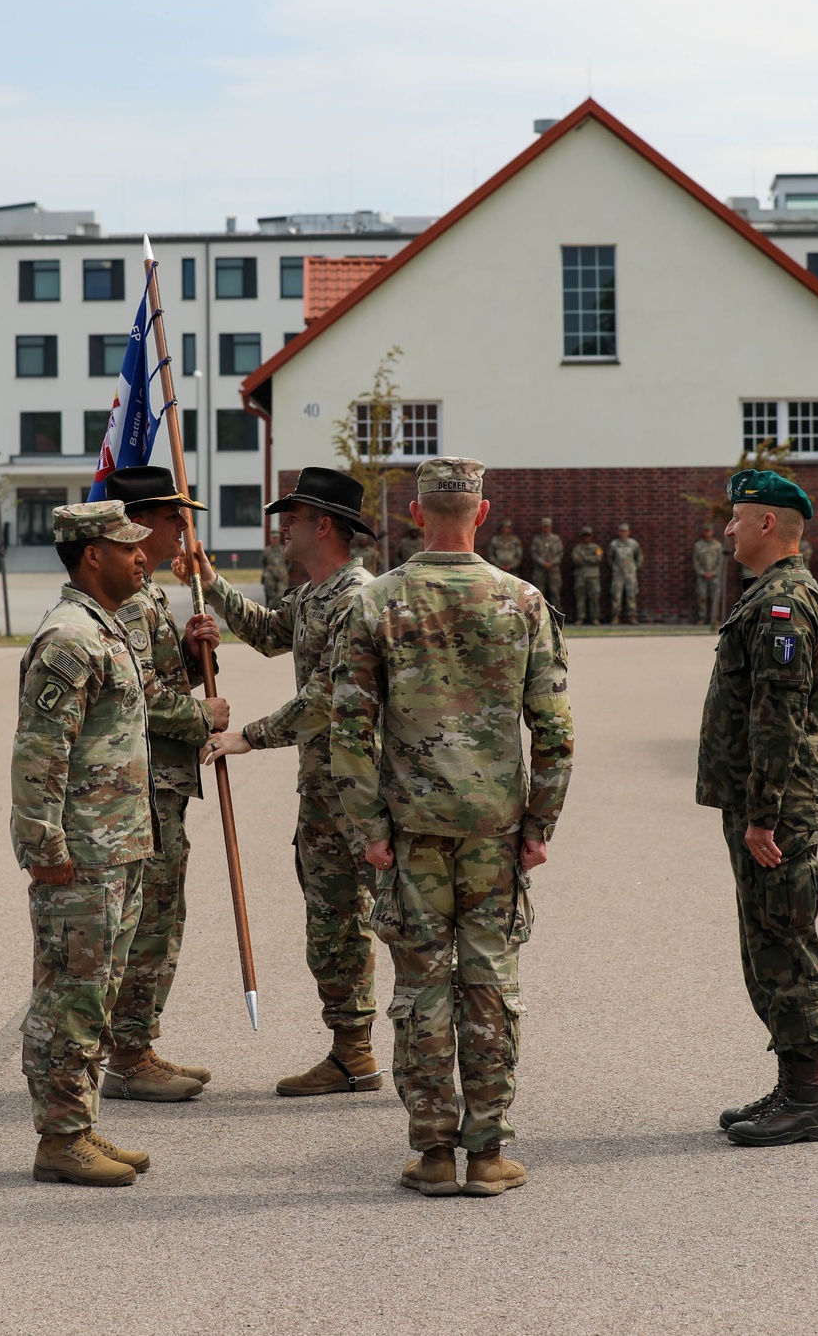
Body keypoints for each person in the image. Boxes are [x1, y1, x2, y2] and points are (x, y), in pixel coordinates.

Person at [330, 457, 574, 1197]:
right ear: (483, 512)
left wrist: (366, 826)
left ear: (414, 515)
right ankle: (489, 1153)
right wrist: (541, 825)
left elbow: (348, 727)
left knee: (422, 989)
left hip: (411, 831)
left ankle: (435, 1153)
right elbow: (555, 728)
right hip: (496, 830)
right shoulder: (523, 601)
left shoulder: (375, 603)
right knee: (490, 984)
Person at [177, 467, 381, 1097]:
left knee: (383, 922)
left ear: (325, 526)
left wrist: (250, 735)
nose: (280, 527)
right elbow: (269, 633)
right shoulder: (315, 593)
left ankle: (429, 1057)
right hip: (322, 793)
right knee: (333, 926)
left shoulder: (357, 596)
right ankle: (353, 1054)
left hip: (361, 793)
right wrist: (210, 583)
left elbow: (330, 697)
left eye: (291, 518)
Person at [11, 500, 157, 1187]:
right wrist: (45, 850)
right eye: (129, 547)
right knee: (69, 998)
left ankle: (81, 1124)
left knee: (95, 998)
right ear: (91, 555)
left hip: (116, 850)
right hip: (82, 859)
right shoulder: (71, 639)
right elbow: (39, 756)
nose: (143, 556)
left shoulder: (108, 629)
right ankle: (59, 1140)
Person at [696, 469, 818, 1147]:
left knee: (784, 943)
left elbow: (777, 719)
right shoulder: (768, 597)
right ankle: (792, 1084)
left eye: (736, 517)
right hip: (763, 800)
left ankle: (807, 1098)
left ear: (767, 525)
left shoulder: (784, 604)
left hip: (775, 807)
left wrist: (761, 814)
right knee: (767, 941)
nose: (726, 529)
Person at [102, 466, 230, 1103]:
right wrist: (204, 714)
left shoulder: (147, 591)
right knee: (147, 919)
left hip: (163, 786)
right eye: (176, 518)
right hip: (139, 787)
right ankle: (126, 1055)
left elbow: (162, 675)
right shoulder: (125, 598)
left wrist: (192, 647)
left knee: (161, 915)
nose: (185, 529)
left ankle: (138, 1041)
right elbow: (138, 699)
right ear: (141, 523)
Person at [608, 523, 643, 624]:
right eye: (621, 531)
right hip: (618, 574)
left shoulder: (634, 544)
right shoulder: (614, 544)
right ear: (618, 532)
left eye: (625, 531)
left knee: (631, 595)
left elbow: (639, 557)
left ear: (629, 532)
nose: (623, 533)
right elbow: (610, 558)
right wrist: (614, 568)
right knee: (616, 596)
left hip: (630, 574)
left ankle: (632, 617)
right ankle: (615, 617)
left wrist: (635, 567)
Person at [693, 523, 724, 627]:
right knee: (702, 596)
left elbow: (721, 561)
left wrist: (714, 572)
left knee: (714, 597)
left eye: (709, 531)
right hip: (702, 576)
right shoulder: (698, 545)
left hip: (714, 576)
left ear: (712, 532)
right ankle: (702, 618)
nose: (708, 533)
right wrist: (702, 572)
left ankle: (714, 619)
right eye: (706, 531)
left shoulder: (717, 545)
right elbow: (695, 561)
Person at [530, 516, 564, 608]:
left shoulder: (556, 539)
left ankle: (556, 615)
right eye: (544, 527)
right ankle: (540, 615)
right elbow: (534, 554)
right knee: (539, 593)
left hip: (553, 570)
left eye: (548, 526)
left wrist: (551, 563)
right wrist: (543, 563)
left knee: (555, 592)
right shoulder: (537, 540)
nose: (546, 529)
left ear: (551, 527)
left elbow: (560, 554)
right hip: (540, 570)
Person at [571, 526, 603, 625]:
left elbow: (598, 559)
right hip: (581, 576)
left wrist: (584, 558)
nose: (586, 538)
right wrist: (590, 559)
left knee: (594, 598)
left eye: (588, 535)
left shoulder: (597, 548)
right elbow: (576, 560)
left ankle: (595, 617)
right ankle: (581, 617)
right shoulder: (577, 548)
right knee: (581, 598)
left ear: (591, 536)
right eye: (584, 536)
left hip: (593, 576)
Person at [260, 535, 290, 607]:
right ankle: (270, 611)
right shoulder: (267, 551)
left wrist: (284, 570)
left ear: (279, 539)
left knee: (281, 594)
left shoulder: (283, 549)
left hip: (282, 575)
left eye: (276, 538)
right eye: (273, 538)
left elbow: (288, 562)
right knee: (271, 595)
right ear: (271, 539)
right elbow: (263, 562)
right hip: (270, 575)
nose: (275, 540)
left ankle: (280, 610)